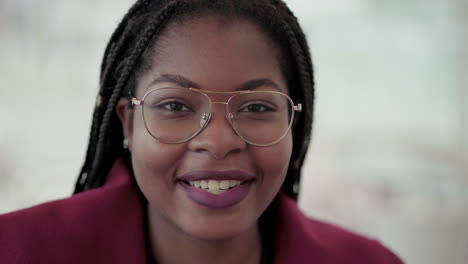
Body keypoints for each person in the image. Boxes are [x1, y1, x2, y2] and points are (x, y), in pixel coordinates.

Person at [0, 0, 404, 263]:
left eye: (258, 107)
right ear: (128, 122)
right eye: (174, 105)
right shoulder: (17, 251)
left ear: (292, 127)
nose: (218, 141)